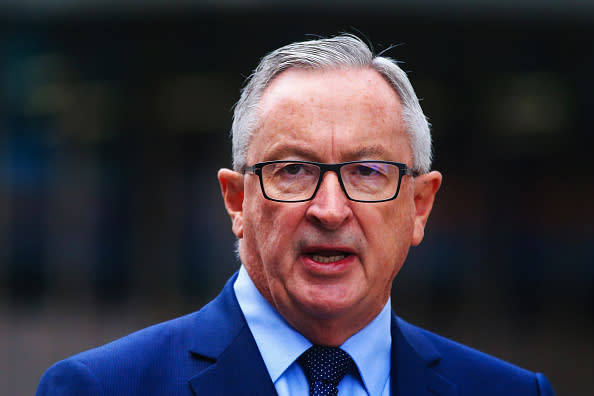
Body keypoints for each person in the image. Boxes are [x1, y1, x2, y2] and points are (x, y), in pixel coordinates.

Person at [36, 34, 556, 396]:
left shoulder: (510, 391)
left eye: (368, 171)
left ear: (419, 206)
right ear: (237, 201)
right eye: (293, 171)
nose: (330, 211)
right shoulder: (101, 388)